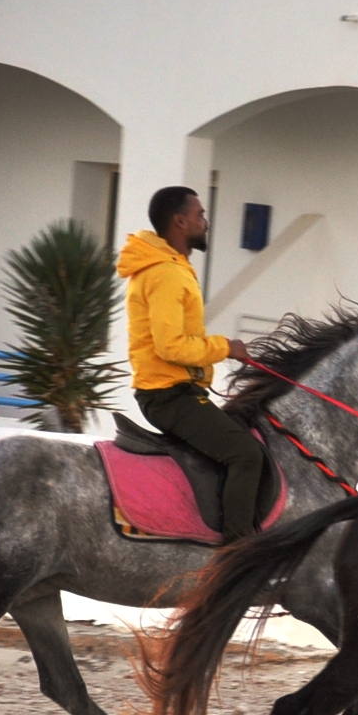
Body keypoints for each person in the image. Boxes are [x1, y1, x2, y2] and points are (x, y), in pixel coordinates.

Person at [117, 186, 264, 538]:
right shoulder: (166, 273)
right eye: (200, 215)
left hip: (179, 392)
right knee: (246, 455)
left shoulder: (173, 266)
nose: (205, 222)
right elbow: (171, 347)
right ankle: (237, 554)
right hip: (167, 396)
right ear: (180, 222)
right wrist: (225, 348)